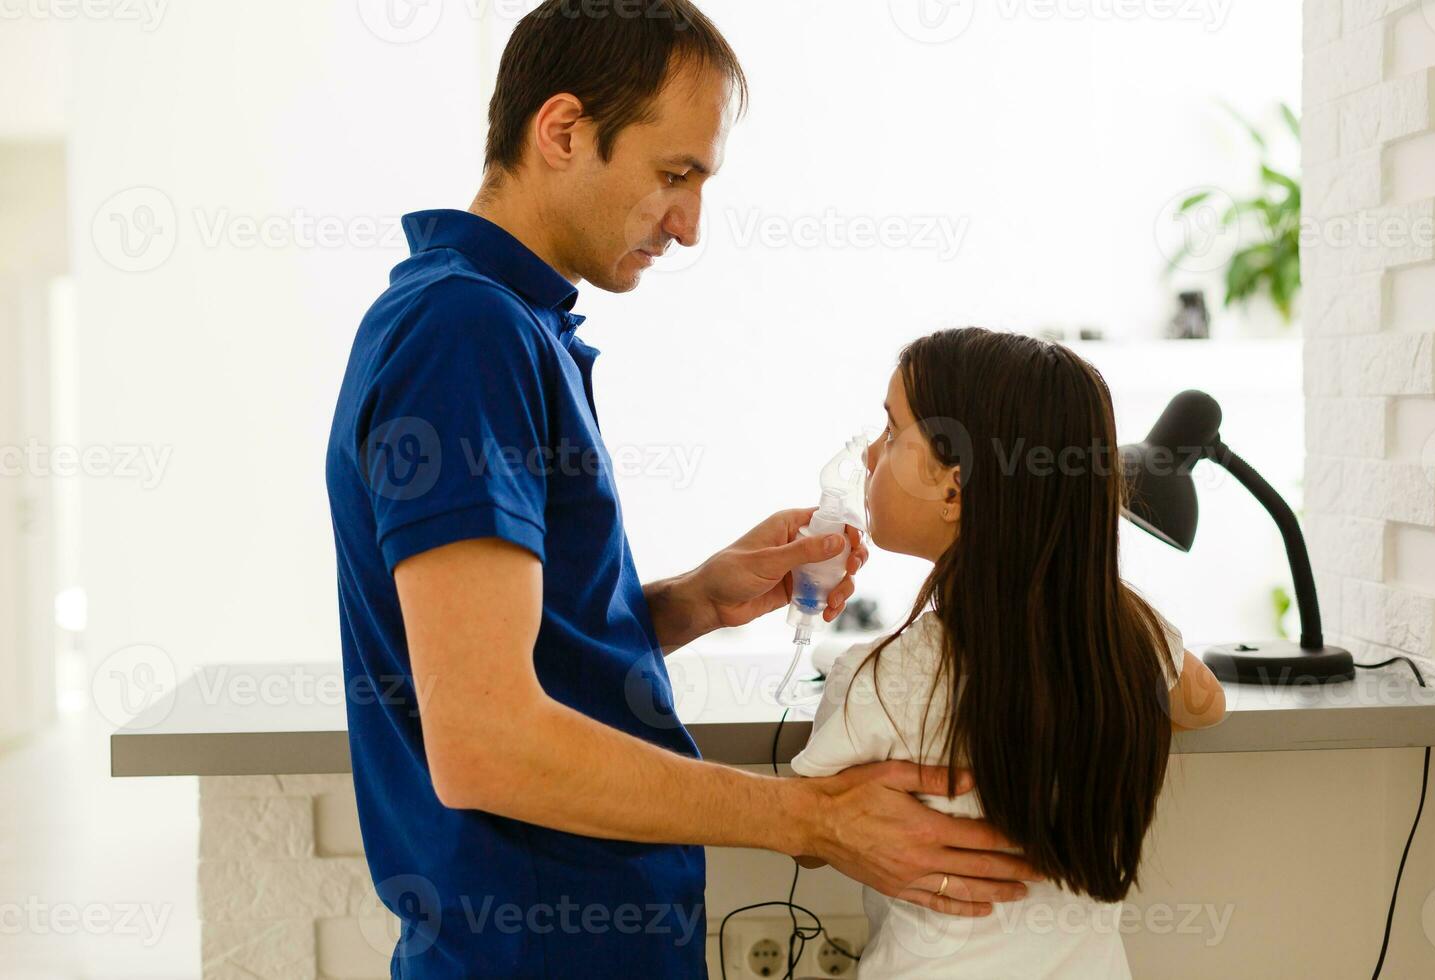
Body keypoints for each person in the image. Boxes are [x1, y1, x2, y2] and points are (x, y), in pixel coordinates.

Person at [324, 4, 1039, 976]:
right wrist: (810, 817)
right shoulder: (465, 334)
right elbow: (485, 735)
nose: (691, 226)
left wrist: (698, 597)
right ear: (564, 130)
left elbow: (505, 650)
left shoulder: (506, 326)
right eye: (674, 175)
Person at [790, 328, 1228, 978]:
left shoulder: (881, 679)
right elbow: (1204, 703)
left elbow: (805, 837)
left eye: (891, 431)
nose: (870, 456)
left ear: (955, 488)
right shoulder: (1129, 636)